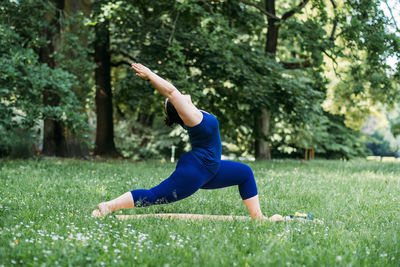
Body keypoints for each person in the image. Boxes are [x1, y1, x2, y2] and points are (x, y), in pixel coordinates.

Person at [92, 63, 283, 222]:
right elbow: (171, 92)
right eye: (178, 100)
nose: (182, 95)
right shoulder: (191, 117)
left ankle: (258, 219)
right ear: (179, 108)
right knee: (154, 196)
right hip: (196, 170)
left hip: (210, 168)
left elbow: (175, 94)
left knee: (245, 173)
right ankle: (109, 206)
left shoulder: (194, 114)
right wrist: (150, 75)